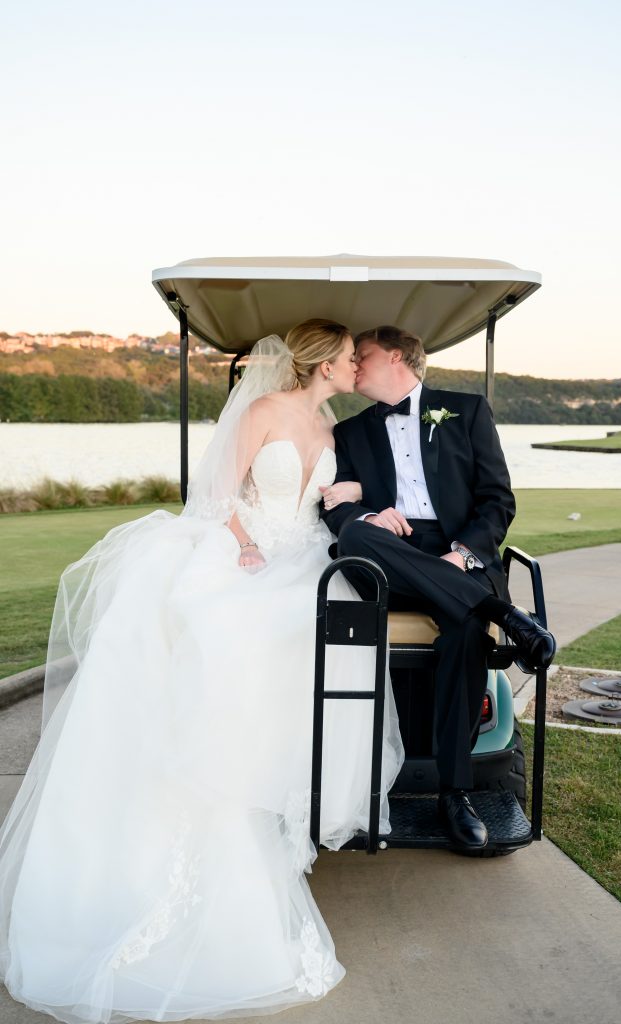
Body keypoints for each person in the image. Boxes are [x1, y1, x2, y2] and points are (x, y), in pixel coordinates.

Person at [0, 320, 404, 1023]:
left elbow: (321, 505)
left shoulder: (333, 427)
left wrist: (355, 506)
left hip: (304, 555)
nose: (352, 364)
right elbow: (217, 495)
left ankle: (280, 795)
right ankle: (223, 795)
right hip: (247, 550)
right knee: (233, 637)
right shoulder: (260, 412)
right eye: (345, 357)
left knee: (326, 627)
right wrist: (245, 545)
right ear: (319, 363)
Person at [320, 325, 555, 853]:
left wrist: (462, 554)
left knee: (467, 630)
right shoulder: (352, 431)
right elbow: (335, 509)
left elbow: (497, 501)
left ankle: (455, 794)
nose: (354, 364)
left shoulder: (465, 410)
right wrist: (366, 512)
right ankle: (507, 613)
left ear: (398, 357)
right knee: (355, 533)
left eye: (364, 355)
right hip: (391, 559)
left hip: (458, 554)